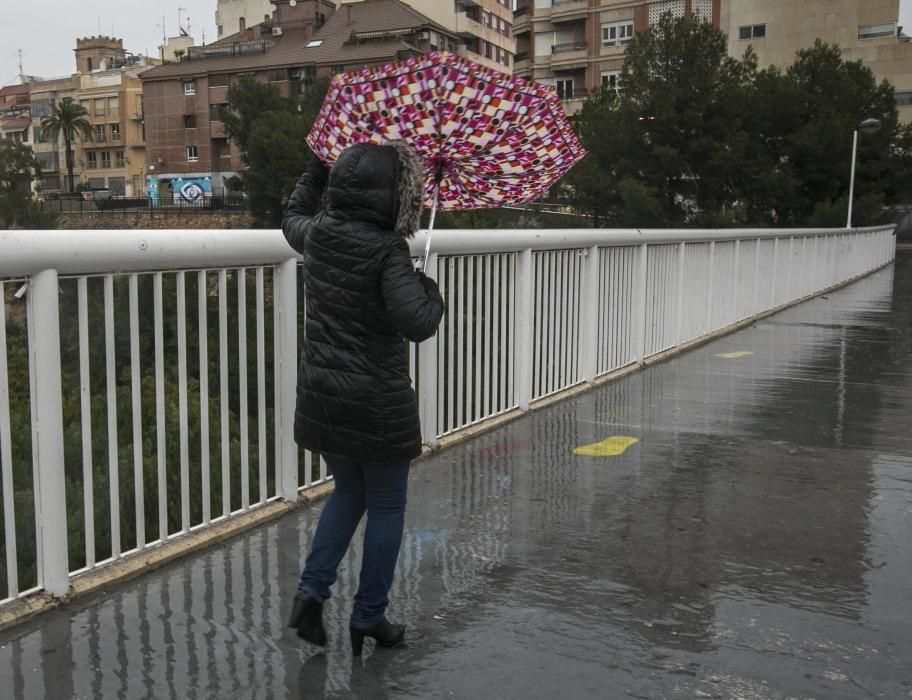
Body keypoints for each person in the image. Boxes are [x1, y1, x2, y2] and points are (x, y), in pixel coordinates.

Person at [281, 141, 445, 656]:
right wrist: (431, 291)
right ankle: (369, 615)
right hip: (377, 403)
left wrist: (315, 168)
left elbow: (292, 217)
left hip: (325, 396)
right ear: (397, 196)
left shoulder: (320, 236)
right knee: (387, 504)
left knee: (349, 492)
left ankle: (311, 594)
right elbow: (417, 323)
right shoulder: (387, 250)